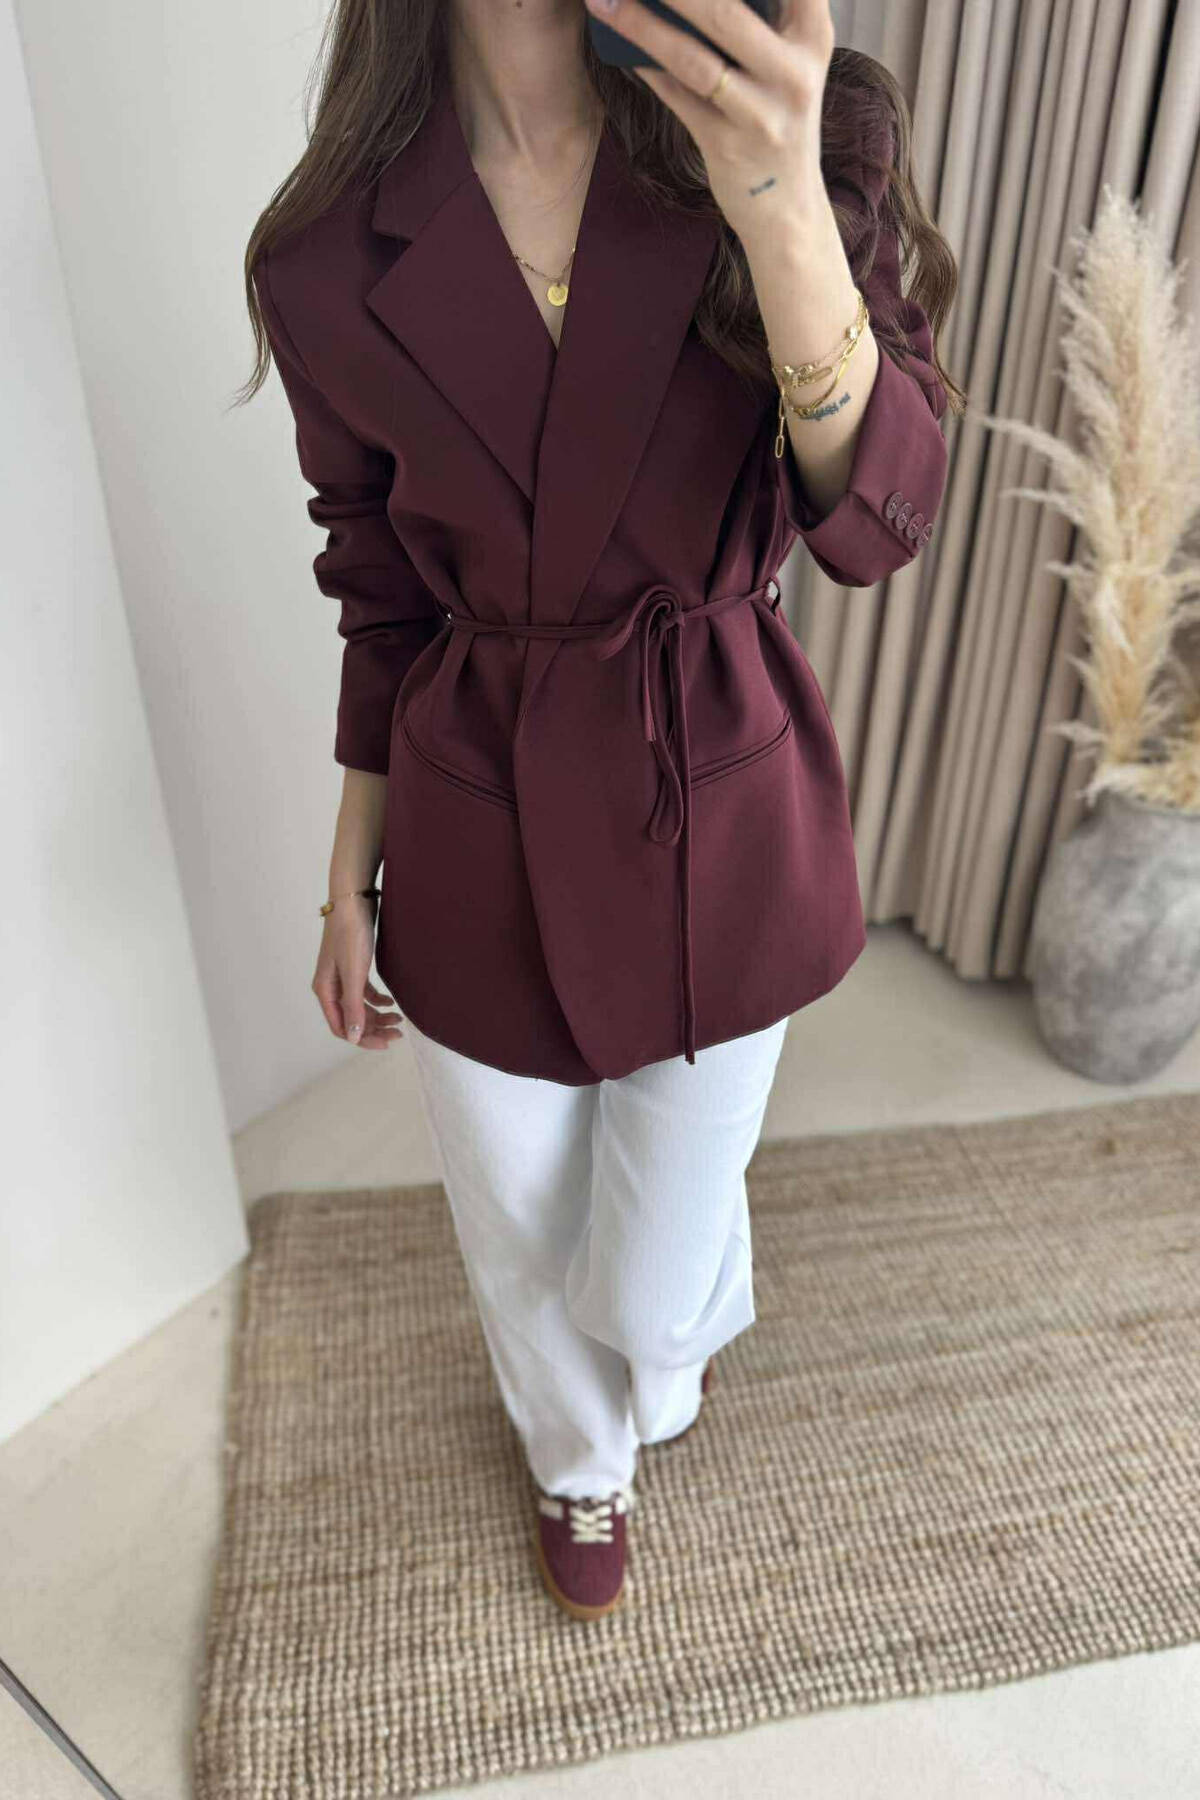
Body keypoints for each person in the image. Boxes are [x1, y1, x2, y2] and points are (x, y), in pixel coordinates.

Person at [239, 0, 959, 1621]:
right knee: (514, 1219)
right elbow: (377, 588)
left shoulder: (792, 120)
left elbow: (882, 521)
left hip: (716, 776)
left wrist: (775, 201)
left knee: (656, 1273)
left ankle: (666, 1331)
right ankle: (577, 1459)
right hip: (472, 807)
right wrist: (347, 877)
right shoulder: (325, 254)